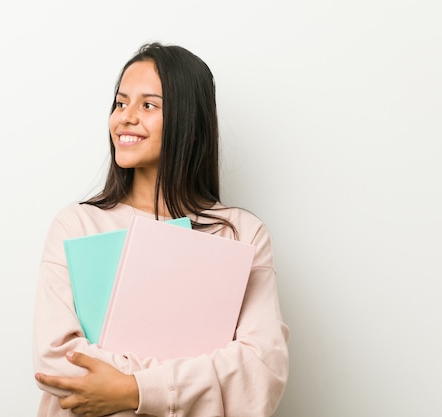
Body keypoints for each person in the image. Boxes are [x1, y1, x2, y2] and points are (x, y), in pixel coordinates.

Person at [33, 42, 289, 417]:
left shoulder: (240, 234)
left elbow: (261, 370)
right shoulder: (76, 225)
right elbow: (58, 362)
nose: (125, 118)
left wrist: (133, 391)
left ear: (189, 121)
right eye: (120, 103)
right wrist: (189, 379)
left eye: (148, 105)